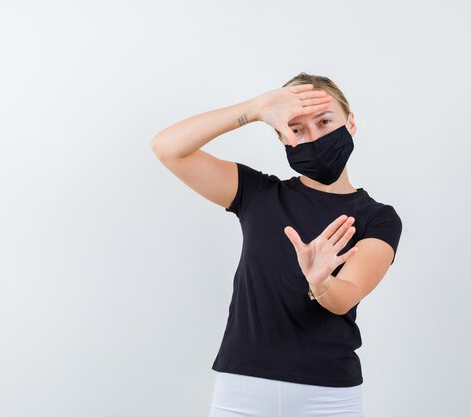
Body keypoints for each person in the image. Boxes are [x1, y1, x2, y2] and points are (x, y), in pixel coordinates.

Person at [151, 72, 402, 417]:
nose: (313, 136)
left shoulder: (378, 218)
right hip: (242, 388)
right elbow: (168, 149)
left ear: (351, 123)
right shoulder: (257, 194)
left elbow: (345, 296)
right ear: (282, 137)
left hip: (329, 395)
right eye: (297, 128)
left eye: (325, 121)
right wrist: (255, 108)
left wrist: (321, 282)